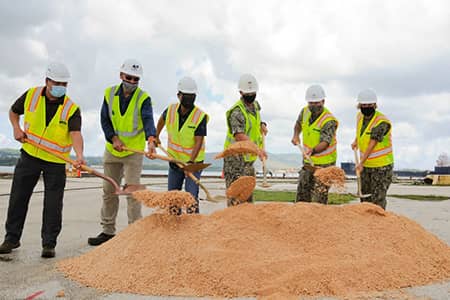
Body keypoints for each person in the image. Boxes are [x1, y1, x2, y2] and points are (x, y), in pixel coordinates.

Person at [0, 62, 85, 258]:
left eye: (64, 84)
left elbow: (75, 133)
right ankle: (11, 239)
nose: (61, 87)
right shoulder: (31, 95)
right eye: (57, 83)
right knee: (18, 198)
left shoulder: (71, 108)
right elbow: (13, 111)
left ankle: (49, 244)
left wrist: (79, 155)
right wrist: (16, 128)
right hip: (29, 156)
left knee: (53, 204)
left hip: (55, 162)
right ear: (47, 81)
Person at [88, 59, 157, 246]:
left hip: (133, 152)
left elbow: (148, 119)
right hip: (113, 150)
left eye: (136, 79)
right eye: (129, 78)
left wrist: (151, 140)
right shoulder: (109, 94)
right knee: (109, 191)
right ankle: (108, 231)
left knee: (133, 193)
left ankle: (136, 232)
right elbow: (104, 120)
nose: (132, 82)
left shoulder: (143, 98)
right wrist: (113, 138)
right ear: (121, 76)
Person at [155, 77, 209, 214]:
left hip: (193, 163)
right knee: (173, 196)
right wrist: (156, 135)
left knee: (191, 197)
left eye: (192, 96)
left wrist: (190, 164)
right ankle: (174, 226)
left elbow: (198, 141)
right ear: (179, 95)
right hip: (174, 161)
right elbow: (162, 120)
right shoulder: (171, 110)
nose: (189, 99)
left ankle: (193, 227)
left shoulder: (199, 116)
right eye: (186, 96)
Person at [223, 74, 267, 206]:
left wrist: (262, 124)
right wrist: (258, 149)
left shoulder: (256, 106)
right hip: (234, 160)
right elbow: (239, 135)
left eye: (253, 92)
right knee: (235, 198)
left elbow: (255, 120)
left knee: (248, 197)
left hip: (248, 160)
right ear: (241, 92)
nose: (251, 95)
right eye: (248, 93)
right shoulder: (237, 112)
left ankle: (246, 225)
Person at [291, 84, 338, 204]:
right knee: (302, 196)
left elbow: (325, 142)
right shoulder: (305, 111)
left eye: (317, 103)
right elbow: (298, 124)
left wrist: (313, 150)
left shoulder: (329, 120)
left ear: (323, 101)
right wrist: (296, 135)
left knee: (319, 199)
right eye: (311, 103)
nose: (314, 105)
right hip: (308, 162)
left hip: (324, 165)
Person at [351, 89, 393, 209]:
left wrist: (361, 163)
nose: (366, 107)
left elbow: (373, 142)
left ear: (375, 105)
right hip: (366, 166)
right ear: (359, 105)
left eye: (369, 105)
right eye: (364, 105)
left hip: (381, 167)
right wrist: (356, 141)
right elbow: (362, 131)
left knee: (378, 198)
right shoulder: (359, 116)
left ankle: (379, 225)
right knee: (365, 198)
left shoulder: (382, 122)